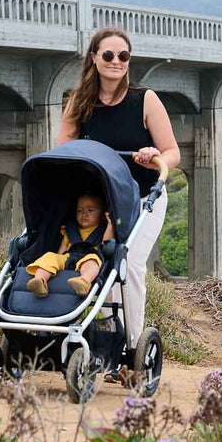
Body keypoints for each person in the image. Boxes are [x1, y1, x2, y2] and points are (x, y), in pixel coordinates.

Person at [57, 26, 180, 365]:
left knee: (129, 266)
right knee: (85, 262)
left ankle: (131, 345)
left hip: (141, 198)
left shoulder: (145, 99)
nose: (116, 61)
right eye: (108, 55)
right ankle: (92, 334)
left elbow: (172, 152)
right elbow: (63, 148)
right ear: (93, 57)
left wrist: (153, 156)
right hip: (98, 203)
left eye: (123, 56)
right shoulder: (78, 101)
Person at [25, 192, 114, 298]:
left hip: (89, 256)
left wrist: (110, 224)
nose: (84, 214)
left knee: (92, 261)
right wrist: (58, 261)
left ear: (102, 214)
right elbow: (62, 250)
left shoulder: (102, 229)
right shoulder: (70, 230)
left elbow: (108, 244)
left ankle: (84, 281)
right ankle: (39, 280)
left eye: (90, 210)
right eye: (80, 210)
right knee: (50, 257)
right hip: (69, 256)